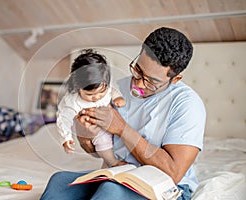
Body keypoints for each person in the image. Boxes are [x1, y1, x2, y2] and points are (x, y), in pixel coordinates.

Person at [40, 27, 206, 200]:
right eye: (138, 71)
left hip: (165, 186)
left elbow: (173, 172)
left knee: (110, 191)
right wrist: (85, 136)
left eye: (152, 82)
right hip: (117, 175)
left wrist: (121, 129)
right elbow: (97, 150)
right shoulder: (116, 89)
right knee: (59, 182)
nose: (139, 84)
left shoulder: (187, 104)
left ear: (176, 79)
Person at [56, 49, 126, 167]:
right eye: (89, 95)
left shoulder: (106, 86)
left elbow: (112, 91)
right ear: (78, 88)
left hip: (112, 124)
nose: (96, 97)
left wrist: (117, 97)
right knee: (103, 141)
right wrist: (66, 138)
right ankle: (112, 162)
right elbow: (63, 119)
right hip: (95, 129)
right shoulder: (72, 101)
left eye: (101, 92)